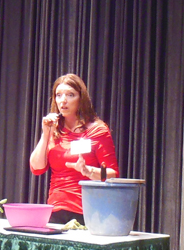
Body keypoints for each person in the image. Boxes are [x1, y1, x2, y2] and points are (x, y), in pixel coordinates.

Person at [29, 74, 119, 224]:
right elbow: (36, 168)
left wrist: (88, 171)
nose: (63, 100)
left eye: (70, 95)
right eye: (58, 95)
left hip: (87, 212)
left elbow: (112, 174)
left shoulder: (97, 130)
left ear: (81, 98)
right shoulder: (54, 130)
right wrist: (46, 135)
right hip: (55, 210)